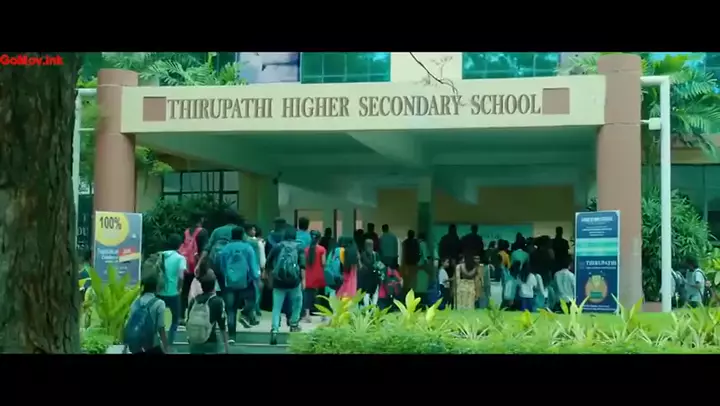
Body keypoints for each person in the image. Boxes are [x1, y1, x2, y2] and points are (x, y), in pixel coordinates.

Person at [218, 227, 260, 343]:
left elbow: (222, 267)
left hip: (230, 283)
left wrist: (228, 276)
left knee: (231, 309)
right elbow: (252, 266)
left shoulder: (226, 248)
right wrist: (255, 278)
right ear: (242, 235)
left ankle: (232, 336)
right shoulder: (247, 248)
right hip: (246, 282)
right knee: (252, 301)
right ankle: (244, 313)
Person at [267, 227, 306, 344]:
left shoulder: (277, 247)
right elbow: (302, 266)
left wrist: (270, 279)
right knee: (297, 303)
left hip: (278, 282)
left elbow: (268, 264)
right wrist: (303, 280)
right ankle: (294, 324)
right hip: (294, 282)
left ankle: (274, 329)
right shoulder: (299, 247)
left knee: (276, 307)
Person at [197, 209, 244, 291]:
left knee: (217, 287)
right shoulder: (239, 230)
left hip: (216, 264)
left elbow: (207, 248)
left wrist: (199, 264)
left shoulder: (217, 231)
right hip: (231, 265)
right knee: (229, 289)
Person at [186, 270, 230, 354]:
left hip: (194, 342)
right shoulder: (217, 301)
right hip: (210, 341)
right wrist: (226, 347)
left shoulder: (194, 301)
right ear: (214, 285)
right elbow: (222, 326)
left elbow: (188, 321)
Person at [125, 272, 168, 354]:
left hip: (135, 344)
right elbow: (161, 327)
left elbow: (130, 323)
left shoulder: (135, 302)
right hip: (152, 344)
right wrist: (166, 346)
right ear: (156, 286)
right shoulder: (159, 303)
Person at [156, 233, 186, 348]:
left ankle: (157, 341)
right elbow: (181, 276)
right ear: (180, 245)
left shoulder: (160, 255)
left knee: (157, 318)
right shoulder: (180, 258)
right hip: (174, 293)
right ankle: (169, 343)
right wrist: (180, 288)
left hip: (159, 291)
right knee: (175, 319)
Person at [180, 213, 207, 323]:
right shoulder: (202, 232)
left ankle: (181, 316)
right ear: (200, 219)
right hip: (196, 266)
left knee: (184, 291)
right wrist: (199, 265)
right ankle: (193, 316)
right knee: (198, 291)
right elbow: (204, 250)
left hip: (186, 265)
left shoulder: (186, 232)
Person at [302, 230, 326, 322]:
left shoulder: (306, 250)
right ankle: (323, 315)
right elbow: (323, 263)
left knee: (308, 296)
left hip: (309, 276)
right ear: (319, 239)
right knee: (321, 296)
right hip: (319, 276)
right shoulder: (322, 249)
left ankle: (307, 315)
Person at [246, 224, 266, 317]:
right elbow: (262, 257)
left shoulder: (244, 241)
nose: (254, 231)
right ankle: (256, 308)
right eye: (252, 229)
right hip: (256, 268)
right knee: (257, 289)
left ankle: (250, 308)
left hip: (245, 269)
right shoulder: (258, 242)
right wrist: (263, 268)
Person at [358, 238, 382, 306]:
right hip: (374, 276)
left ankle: (367, 309)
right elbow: (380, 265)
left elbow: (361, 266)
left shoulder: (362, 254)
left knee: (366, 293)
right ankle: (373, 308)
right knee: (375, 293)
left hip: (366, 277)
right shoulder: (376, 254)